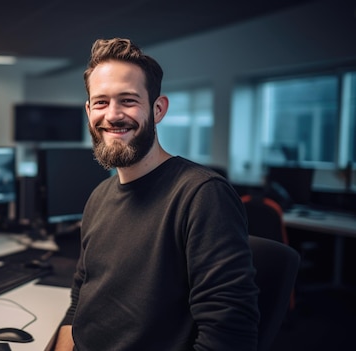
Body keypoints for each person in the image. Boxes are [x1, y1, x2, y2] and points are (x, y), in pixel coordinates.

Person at [48, 38, 259, 350]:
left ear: (158, 109)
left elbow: (229, 337)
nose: (113, 115)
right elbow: (82, 292)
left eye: (129, 101)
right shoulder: (99, 197)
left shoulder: (201, 196)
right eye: (101, 102)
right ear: (89, 111)